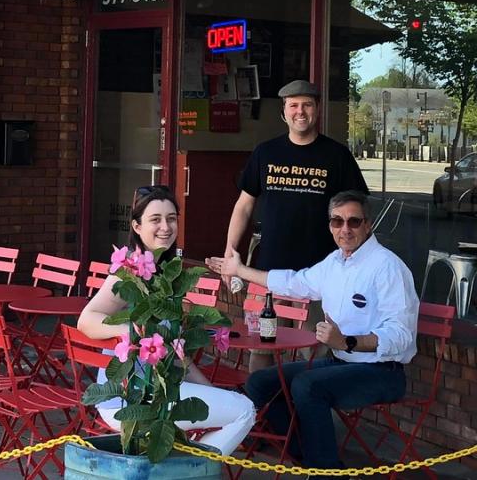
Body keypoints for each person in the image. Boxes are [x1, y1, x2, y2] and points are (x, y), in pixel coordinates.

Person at [207, 190, 418, 479]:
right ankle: (307, 455)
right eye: (337, 221)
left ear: (368, 224)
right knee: (261, 381)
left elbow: (401, 335)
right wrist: (241, 270)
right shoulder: (334, 262)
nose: (345, 229)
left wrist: (347, 342)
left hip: (382, 371)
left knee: (308, 386)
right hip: (342, 363)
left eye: (354, 222)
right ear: (330, 225)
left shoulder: (388, 267)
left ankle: (325, 471)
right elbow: (294, 283)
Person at [77, 184, 256, 456]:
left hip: (162, 393)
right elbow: (86, 320)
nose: (166, 227)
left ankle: (180, 470)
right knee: (244, 411)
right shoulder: (129, 271)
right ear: (136, 227)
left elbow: (178, 356)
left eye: (171, 218)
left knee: (238, 408)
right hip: (130, 401)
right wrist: (132, 330)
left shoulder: (167, 274)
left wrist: (214, 393)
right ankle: (191, 472)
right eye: (155, 219)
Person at [223, 79, 369, 369]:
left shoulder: (337, 156)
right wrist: (230, 250)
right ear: (283, 112)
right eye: (293, 105)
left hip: (320, 275)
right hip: (268, 272)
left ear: (317, 110)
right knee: (261, 348)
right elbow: (244, 205)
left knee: (313, 351)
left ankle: (303, 413)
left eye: (306, 105)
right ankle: (261, 410)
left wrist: (357, 263)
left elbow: (357, 214)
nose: (300, 111)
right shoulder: (266, 153)